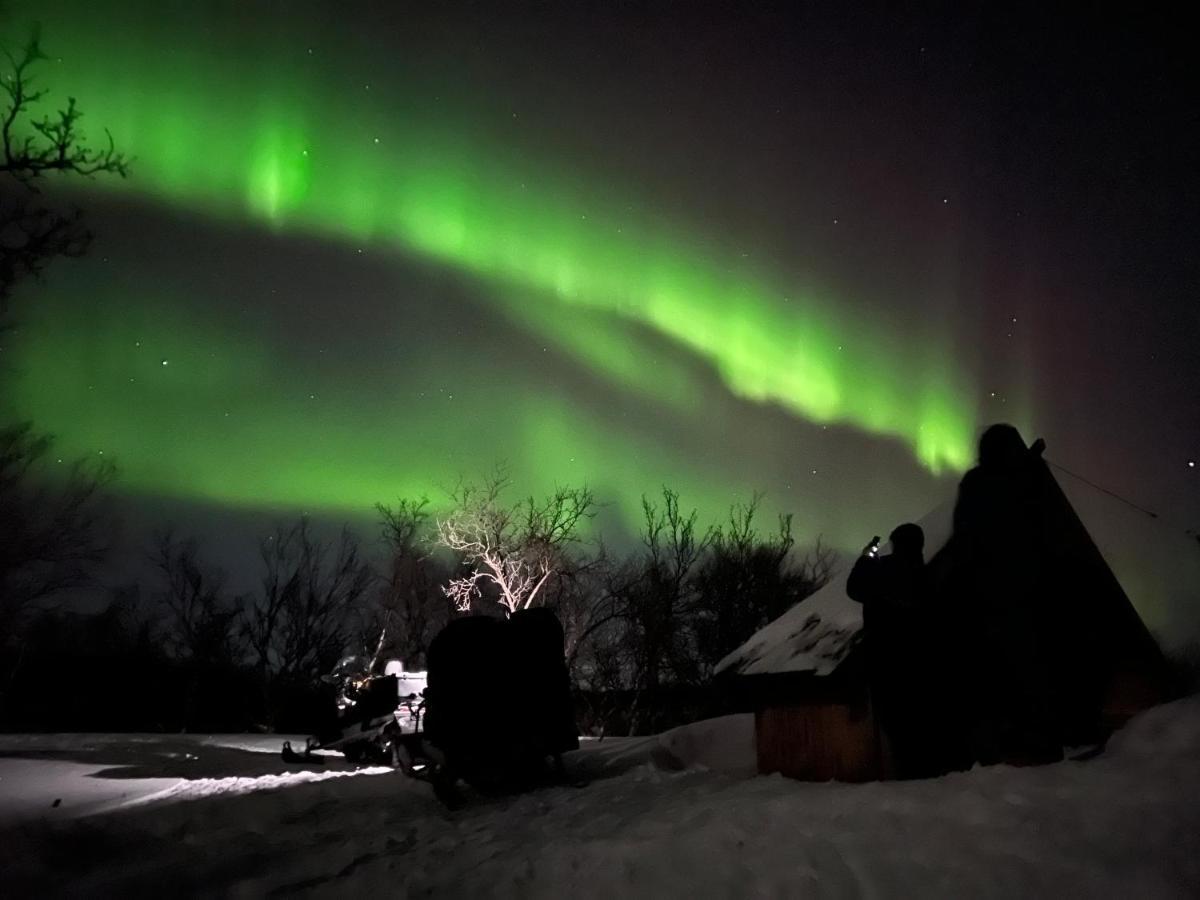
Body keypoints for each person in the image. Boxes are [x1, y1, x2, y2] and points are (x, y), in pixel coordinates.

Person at [949, 424, 1064, 766]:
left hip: (998, 592)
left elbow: (965, 535)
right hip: (1015, 591)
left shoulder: (979, 483)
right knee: (1024, 667)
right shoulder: (1023, 478)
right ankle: (1033, 743)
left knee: (1009, 669)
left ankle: (1018, 745)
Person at [847, 522, 935, 778]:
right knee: (917, 720)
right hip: (919, 661)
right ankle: (923, 773)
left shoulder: (884, 568)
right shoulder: (925, 574)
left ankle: (908, 774)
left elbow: (854, 588)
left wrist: (866, 557)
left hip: (885, 658)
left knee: (895, 722)